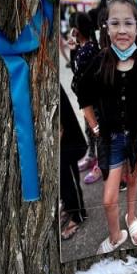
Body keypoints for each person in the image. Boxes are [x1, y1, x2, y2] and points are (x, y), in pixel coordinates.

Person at [76, 0, 137, 254]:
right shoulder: (100, 63)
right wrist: (95, 126)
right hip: (111, 140)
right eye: (115, 23)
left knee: (133, 179)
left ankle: (132, 216)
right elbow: (82, 93)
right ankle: (115, 236)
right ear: (106, 27)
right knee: (109, 198)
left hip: (136, 139)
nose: (122, 30)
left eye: (128, 23)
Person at [69, 12, 101, 179]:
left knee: (96, 131)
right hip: (91, 101)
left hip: (91, 102)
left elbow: (78, 78)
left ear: (76, 30)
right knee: (90, 131)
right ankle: (92, 156)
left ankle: (99, 164)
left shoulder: (85, 52)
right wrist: (74, 47)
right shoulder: (89, 48)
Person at [59, 85, 87, 240]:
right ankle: (68, 206)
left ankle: (78, 214)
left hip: (64, 131)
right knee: (60, 174)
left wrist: (60, 124)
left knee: (67, 170)